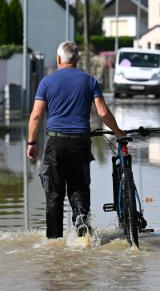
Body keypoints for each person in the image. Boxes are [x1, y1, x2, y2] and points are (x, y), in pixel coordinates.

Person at [27, 41, 124, 239]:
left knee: (54, 195)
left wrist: (31, 143)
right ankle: (81, 219)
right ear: (77, 59)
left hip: (55, 143)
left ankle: (54, 242)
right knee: (79, 188)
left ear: (58, 59)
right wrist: (118, 132)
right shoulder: (89, 81)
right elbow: (103, 113)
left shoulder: (46, 82)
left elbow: (36, 116)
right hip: (80, 143)